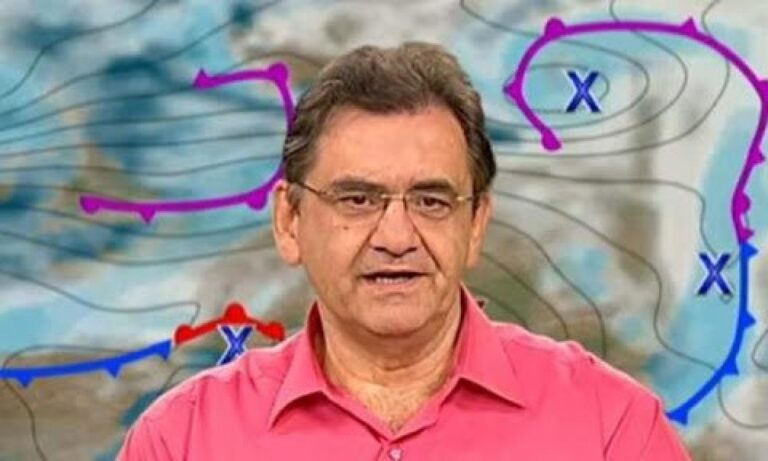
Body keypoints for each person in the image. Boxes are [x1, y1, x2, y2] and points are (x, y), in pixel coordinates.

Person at [117, 42, 691, 460]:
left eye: (431, 201)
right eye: (358, 199)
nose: (396, 237)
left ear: (475, 224)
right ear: (290, 221)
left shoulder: (610, 427)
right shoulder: (183, 440)